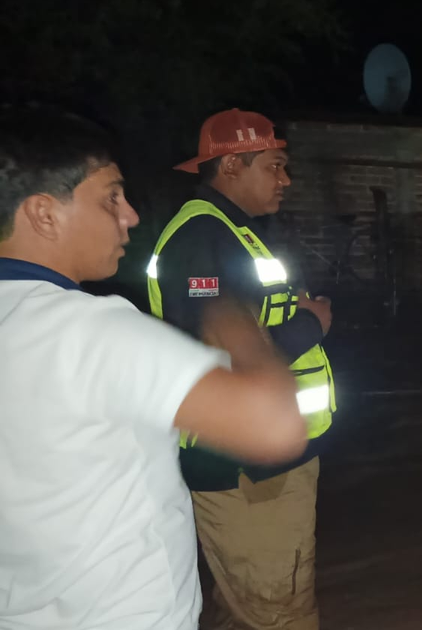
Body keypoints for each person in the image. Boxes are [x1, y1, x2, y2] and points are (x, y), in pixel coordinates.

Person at [0, 107, 308, 630]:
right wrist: (243, 324)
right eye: (111, 198)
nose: (132, 216)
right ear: (44, 214)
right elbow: (271, 424)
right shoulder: (89, 329)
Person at [145, 108, 336, 630]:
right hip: (247, 467)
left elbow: (245, 325)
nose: (286, 179)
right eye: (274, 165)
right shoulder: (201, 239)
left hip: (264, 459)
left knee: (248, 605)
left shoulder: (229, 231)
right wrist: (311, 326)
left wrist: (291, 314)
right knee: (280, 612)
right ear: (232, 165)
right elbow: (218, 359)